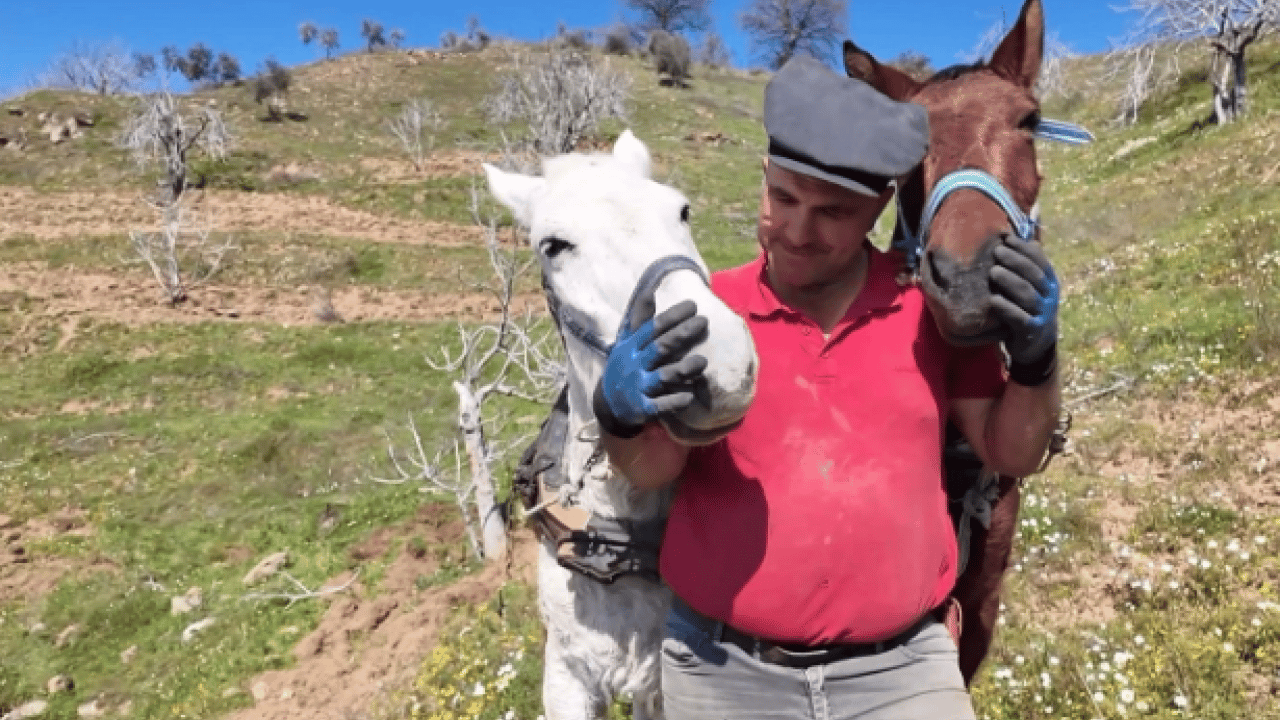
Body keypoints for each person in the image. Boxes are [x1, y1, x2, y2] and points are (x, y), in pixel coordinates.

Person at [591, 56, 1061, 720]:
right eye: (782, 198)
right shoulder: (709, 310)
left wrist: (1039, 361)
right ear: (764, 175)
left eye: (832, 213)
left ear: (878, 207)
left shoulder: (928, 311)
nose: (797, 231)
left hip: (901, 673)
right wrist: (617, 415)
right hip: (723, 671)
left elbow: (1011, 452)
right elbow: (651, 468)